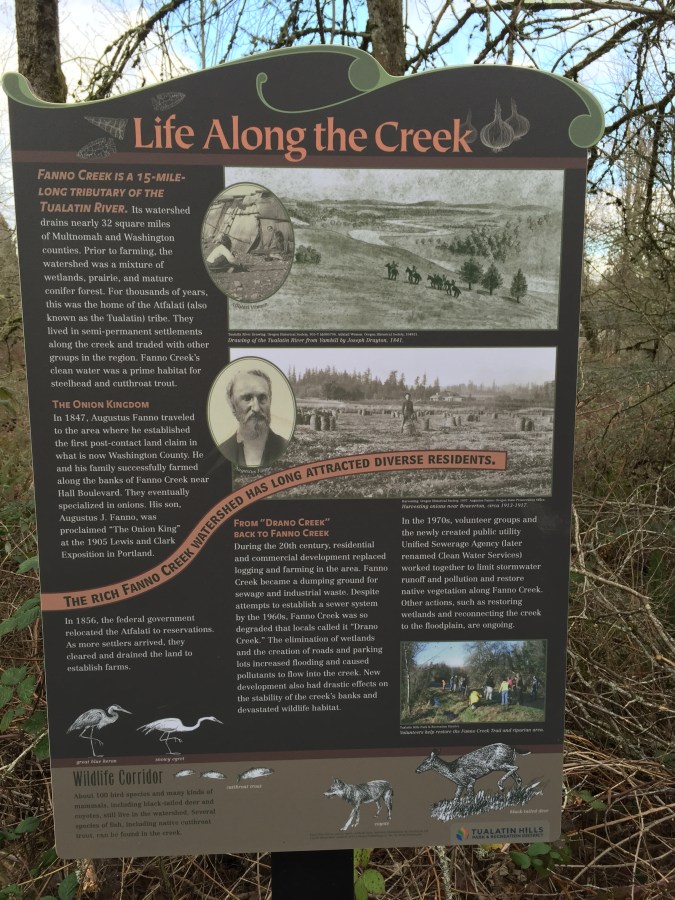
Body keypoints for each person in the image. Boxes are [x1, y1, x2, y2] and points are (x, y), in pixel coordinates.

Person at [218, 368, 289, 467]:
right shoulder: (223, 451)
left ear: (270, 400)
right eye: (247, 398)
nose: (256, 408)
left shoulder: (286, 447)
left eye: (262, 398)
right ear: (232, 404)